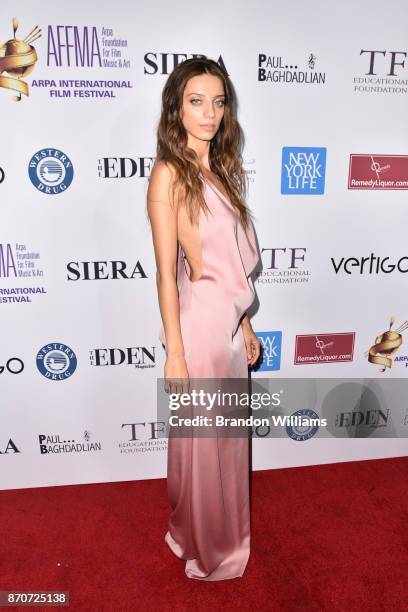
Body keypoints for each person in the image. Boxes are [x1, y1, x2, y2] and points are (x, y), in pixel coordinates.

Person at [147, 57, 261, 581]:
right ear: (177, 106)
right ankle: (210, 549)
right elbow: (169, 273)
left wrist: (246, 324)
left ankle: (208, 532)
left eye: (218, 102)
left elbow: (231, 265)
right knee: (203, 444)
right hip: (198, 331)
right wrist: (174, 350)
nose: (209, 113)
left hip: (228, 329)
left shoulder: (221, 171)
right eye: (197, 101)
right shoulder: (170, 173)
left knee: (225, 444)